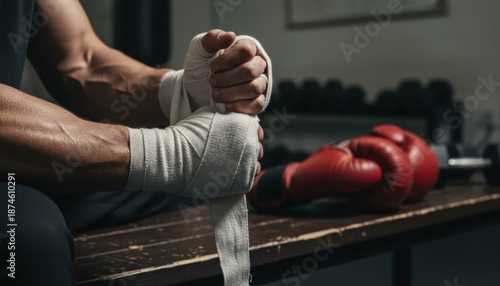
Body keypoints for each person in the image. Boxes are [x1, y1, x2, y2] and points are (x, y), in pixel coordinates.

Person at [0, 0, 270, 285]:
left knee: (180, 188)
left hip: (23, 162)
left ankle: (273, 184)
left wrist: (181, 90)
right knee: (29, 240)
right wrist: (171, 154)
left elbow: (81, 58)